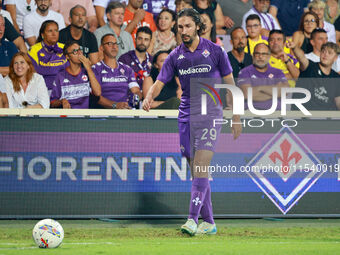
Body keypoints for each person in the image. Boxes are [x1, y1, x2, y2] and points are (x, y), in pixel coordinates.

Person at [143, 8, 242, 236]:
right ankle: (209, 221)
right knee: (196, 171)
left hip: (210, 114)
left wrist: (236, 116)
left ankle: (192, 220)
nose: (183, 30)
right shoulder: (174, 56)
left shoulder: (216, 51)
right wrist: (149, 96)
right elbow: (159, 82)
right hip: (186, 114)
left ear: (198, 26)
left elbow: (231, 85)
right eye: (180, 27)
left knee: (200, 167)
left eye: (187, 26)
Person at [92, 33, 142, 109]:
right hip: (104, 114)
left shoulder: (127, 69)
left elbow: (136, 91)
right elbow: (96, 97)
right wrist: (115, 105)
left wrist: (135, 98)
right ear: (101, 48)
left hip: (125, 111)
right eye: (110, 44)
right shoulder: (95, 69)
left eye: (116, 44)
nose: (114, 47)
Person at [290, 41, 340, 110]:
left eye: (330, 53)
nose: (325, 54)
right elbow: (301, 58)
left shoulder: (336, 78)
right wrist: (295, 48)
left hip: (323, 118)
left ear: (335, 58)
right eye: (323, 51)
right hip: (302, 116)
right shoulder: (309, 66)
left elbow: (338, 102)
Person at [238, 43, 289, 110]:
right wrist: (274, 93)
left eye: (264, 54)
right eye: (257, 53)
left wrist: (259, 88)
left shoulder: (278, 72)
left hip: (276, 114)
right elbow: (247, 94)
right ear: (253, 56)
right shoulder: (245, 72)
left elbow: (285, 91)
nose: (260, 57)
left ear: (269, 56)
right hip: (252, 114)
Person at [50, 42, 101, 109]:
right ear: (67, 56)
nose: (80, 53)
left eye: (80, 50)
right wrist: (61, 101)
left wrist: (88, 68)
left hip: (85, 115)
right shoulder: (60, 76)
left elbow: (98, 93)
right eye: (75, 51)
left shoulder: (88, 72)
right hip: (68, 116)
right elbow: (52, 102)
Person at [28, 20, 67, 96]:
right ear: (42, 35)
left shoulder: (65, 48)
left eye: (56, 30)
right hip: (43, 88)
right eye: (50, 31)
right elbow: (34, 73)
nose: (54, 34)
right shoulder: (34, 50)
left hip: (64, 86)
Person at [226, 27, 252, 108]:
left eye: (243, 37)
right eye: (236, 38)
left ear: (246, 40)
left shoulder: (251, 58)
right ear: (231, 41)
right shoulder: (225, 58)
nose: (240, 41)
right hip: (230, 100)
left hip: (249, 101)